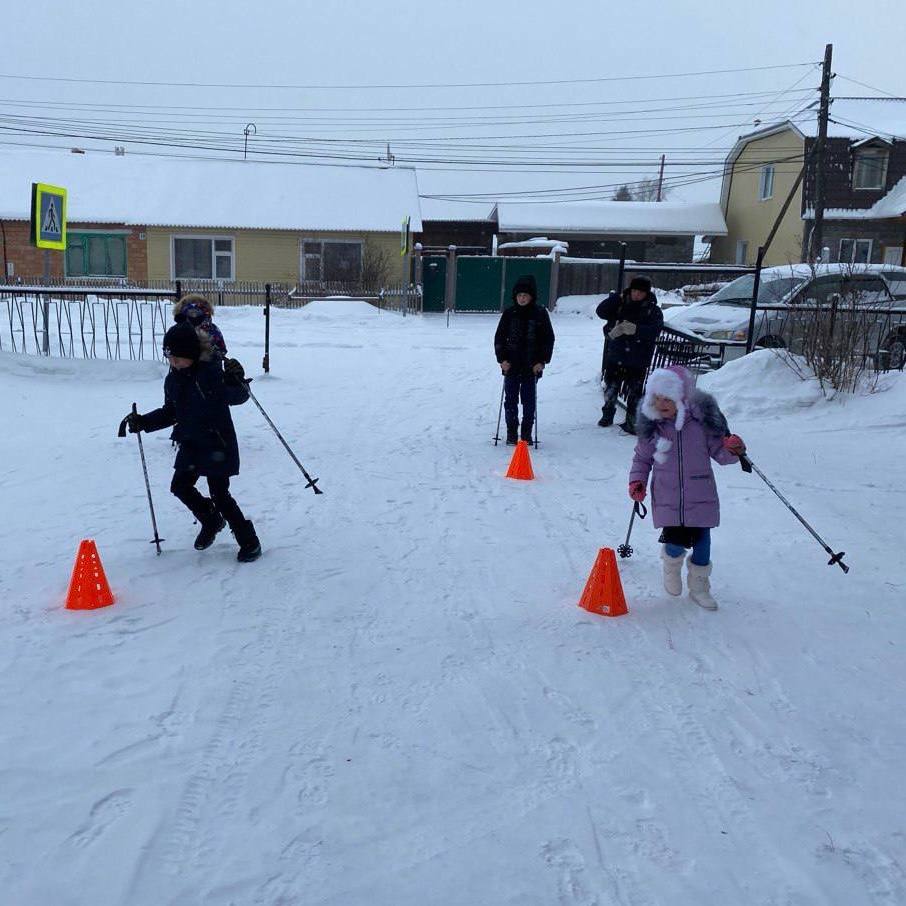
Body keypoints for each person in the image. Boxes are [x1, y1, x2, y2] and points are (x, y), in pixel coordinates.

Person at [123, 321, 262, 562]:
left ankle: (249, 540)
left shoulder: (211, 373)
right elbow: (171, 412)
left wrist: (236, 380)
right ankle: (210, 519)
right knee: (180, 486)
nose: (173, 364)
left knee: (220, 495)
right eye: (170, 358)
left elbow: (237, 397)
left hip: (217, 441)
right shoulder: (173, 379)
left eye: (178, 359)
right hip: (191, 442)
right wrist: (144, 422)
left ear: (193, 354)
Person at [627, 365, 745, 610]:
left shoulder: (700, 424)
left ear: (681, 397)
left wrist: (734, 450)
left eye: (667, 398)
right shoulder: (653, 428)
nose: (661, 404)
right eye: (656, 398)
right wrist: (637, 481)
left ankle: (700, 587)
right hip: (667, 494)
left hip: (701, 492)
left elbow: (721, 455)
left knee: (703, 542)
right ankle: (671, 566)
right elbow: (641, 459)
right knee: (674, 541)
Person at [595, 275, 663, 435]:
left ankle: (632, 421)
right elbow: (601, 311)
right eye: (634, 291)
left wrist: (636, 330)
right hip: (616, 354)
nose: (636, 295)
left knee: (635, 392)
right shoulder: (620, 303)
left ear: (646, 293)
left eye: (640, 292)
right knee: (611, 388)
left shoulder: (652, 309)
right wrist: (616, 298)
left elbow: (655, 330)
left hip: (638, 358)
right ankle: (607, 414)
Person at [493, 274, 555, 445]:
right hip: (511, 365)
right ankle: (511, 431)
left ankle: (526, 432)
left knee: (529, 400)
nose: (522, 298)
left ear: (531, 296)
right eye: (519, 295)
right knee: (510, 400)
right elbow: (499, 337)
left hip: (531, 366)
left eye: (525, 295)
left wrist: (542, 361)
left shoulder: (540, 314)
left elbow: (548, 339)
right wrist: (502, 359)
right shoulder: (509, 313)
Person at [173, 293, 227, 359]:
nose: (194, 317)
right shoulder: (178, 330)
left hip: (210, 366)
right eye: (191, 314)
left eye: (197, 313)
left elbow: (221, 350)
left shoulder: (212, 330)